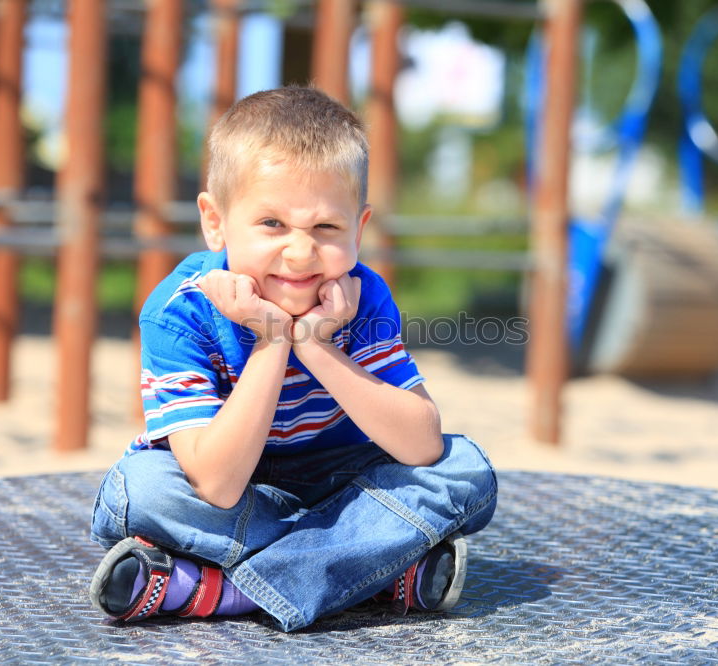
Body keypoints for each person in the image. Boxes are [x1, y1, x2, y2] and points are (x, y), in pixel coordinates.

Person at [88, 86, 497, 632]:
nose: (301, 253)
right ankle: (367, 567)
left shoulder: (363, 295)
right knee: (142, 490)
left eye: (326, 227)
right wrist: (273, 341)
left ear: (360, 227)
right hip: (236, 491)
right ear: (215, 221)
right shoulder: (177, 310)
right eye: (272, 224)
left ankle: (218, 591)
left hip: (340, 479)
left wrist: (316, 345)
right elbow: (215, 484)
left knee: (465, 469)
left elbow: (421, 444)